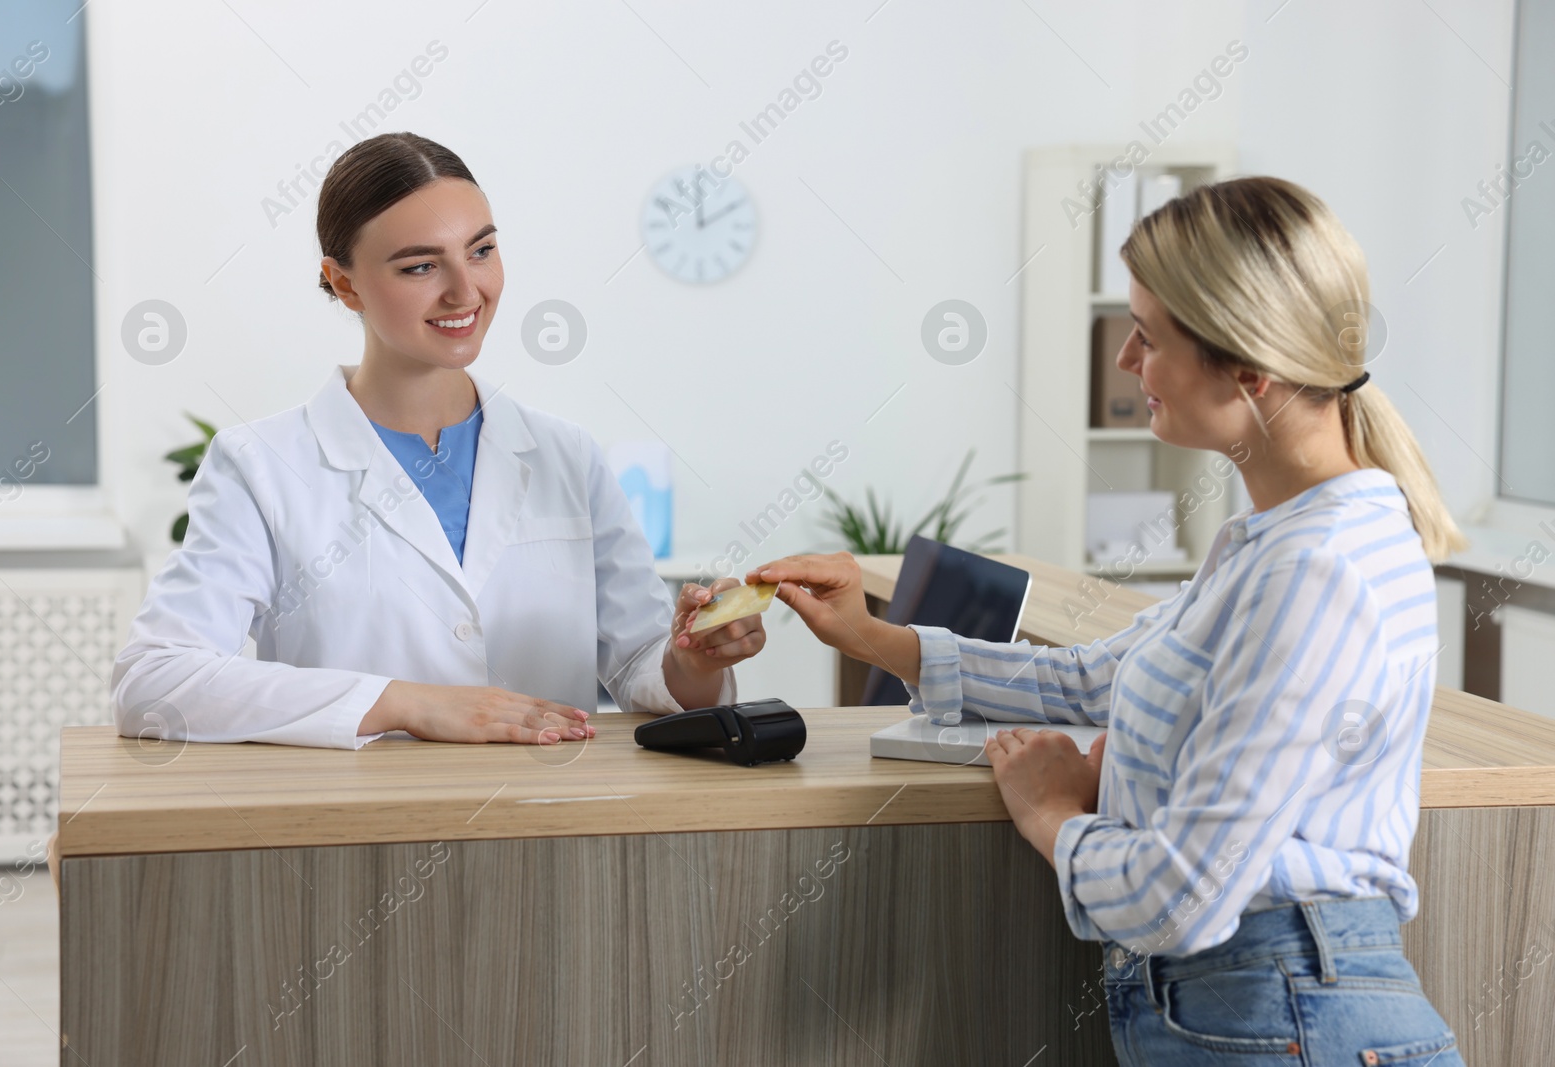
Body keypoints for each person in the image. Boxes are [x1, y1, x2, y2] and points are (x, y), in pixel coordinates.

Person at [752, 177, 1468, 1064]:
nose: (1127, 361)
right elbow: (1097, 678)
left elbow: (1185, 895)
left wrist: (1053, 816)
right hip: (1256, 1009)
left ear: (1250, 368)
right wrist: (871, 635)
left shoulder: (1317, 571)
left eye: (1149, 337)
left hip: (1279, 1013)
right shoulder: (1271, 541)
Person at [112, 132, 764, 750]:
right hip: (364, 830)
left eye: (481, 250)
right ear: (344, 282)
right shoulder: (261, 465)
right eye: (421, 265)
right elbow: (154, 682)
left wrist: (690, 660)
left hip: (558, 825)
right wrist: (405, 702)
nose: (465, 290)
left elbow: (640, 666)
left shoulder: (567, 456)